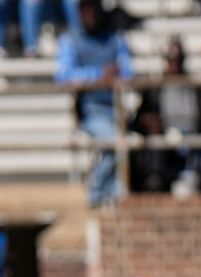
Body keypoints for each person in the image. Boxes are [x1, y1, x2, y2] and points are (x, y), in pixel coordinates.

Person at [56, 0, 133, 209]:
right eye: (86, 10)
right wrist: (99, 74)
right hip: (91, 110)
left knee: (131, 141)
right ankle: (98, 192)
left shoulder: (114, 37)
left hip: (118, 109)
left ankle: (113, 193)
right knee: (114, 142)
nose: (90, 16)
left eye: (94, 10)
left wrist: (113, 75)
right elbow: (63, 76)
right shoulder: (71, 40)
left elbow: (127, 70)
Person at [129, 39, 201, 194]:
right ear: (165, 60)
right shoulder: (154, 90)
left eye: (178, 59)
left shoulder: (198, 90)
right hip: (166, 146)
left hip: (194, 145)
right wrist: (148, 123)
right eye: (171, 59)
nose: (174, 64)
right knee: (154, 149)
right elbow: (137, 123)